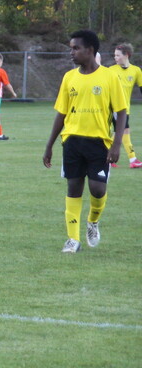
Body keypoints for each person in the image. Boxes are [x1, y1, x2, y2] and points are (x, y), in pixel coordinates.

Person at [43, 30, 127, 253]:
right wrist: (49, 145)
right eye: (71, 48)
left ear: (90, 50)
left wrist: (116, 144)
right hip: (72, 141)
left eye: (76, 48)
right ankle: (72, 240)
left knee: (97, 189)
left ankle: (93, 221)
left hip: (99, 142)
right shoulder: (69, 77)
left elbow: (121, 112)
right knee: (73, 188)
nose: (71, 52)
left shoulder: (109, 77)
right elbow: (61, 113)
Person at [111, 43, 142, 168]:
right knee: (124, 131)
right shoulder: (111, 70)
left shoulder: (136, 70)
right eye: (115, 55)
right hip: (114, 108)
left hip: (126, 108)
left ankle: (109, 158)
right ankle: (132, 159)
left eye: (118, 55)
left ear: (126, 55)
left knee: (118, 132)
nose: (115, 57)